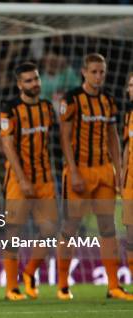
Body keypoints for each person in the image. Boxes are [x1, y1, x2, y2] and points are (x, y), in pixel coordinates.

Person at [59, 53, 132, 301]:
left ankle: (113, 285)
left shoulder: (109, 101)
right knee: (70, 227)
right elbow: (65, 138)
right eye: (94, 71)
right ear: (84, 72)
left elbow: (113, 136)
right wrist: (74, 170)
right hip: (79, 171)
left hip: (104, 171)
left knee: (107, 227)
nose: (99, 76)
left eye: (102, 71)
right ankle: (62, 284)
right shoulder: (72, 99)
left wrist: (119, 169)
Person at [0, 62, 59, 300]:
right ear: (19, 84)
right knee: (13, 231)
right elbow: (7, 144)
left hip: (44, 178)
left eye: (36, 79)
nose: (34, 83)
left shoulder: (47, 107)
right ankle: (11, 288)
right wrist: (23, 179)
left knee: (50, 229)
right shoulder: (10, 109)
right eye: (28, 80)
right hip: (17, 180)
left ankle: (30, 273)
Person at [121, 72, 133, 278]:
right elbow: (126, 148)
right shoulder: (129, 115)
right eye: (130, 85)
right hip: (130, 181)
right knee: (130, 235)